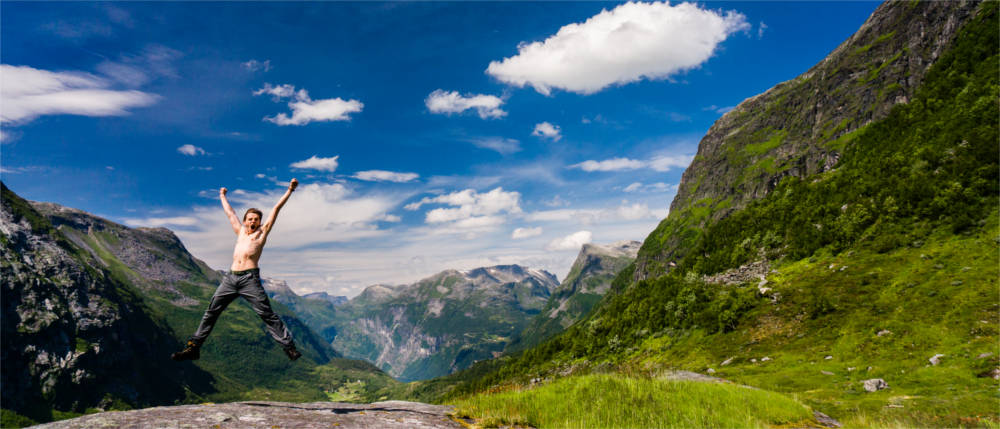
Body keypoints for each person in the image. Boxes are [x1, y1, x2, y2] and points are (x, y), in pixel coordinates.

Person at [172, 179, 302, 361]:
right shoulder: (240, 232)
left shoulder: (262, 233)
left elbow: (276, 209)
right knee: (211, 312)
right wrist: (222, 196)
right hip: (231, 278)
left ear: (260, 222)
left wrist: (290, 190)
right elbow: (229, 213)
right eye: (250, 219)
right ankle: (193, 348)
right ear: (245, 221)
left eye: (256, 219)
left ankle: (289, 348)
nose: (253, 222)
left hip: (250, 279)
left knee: (267, 314)